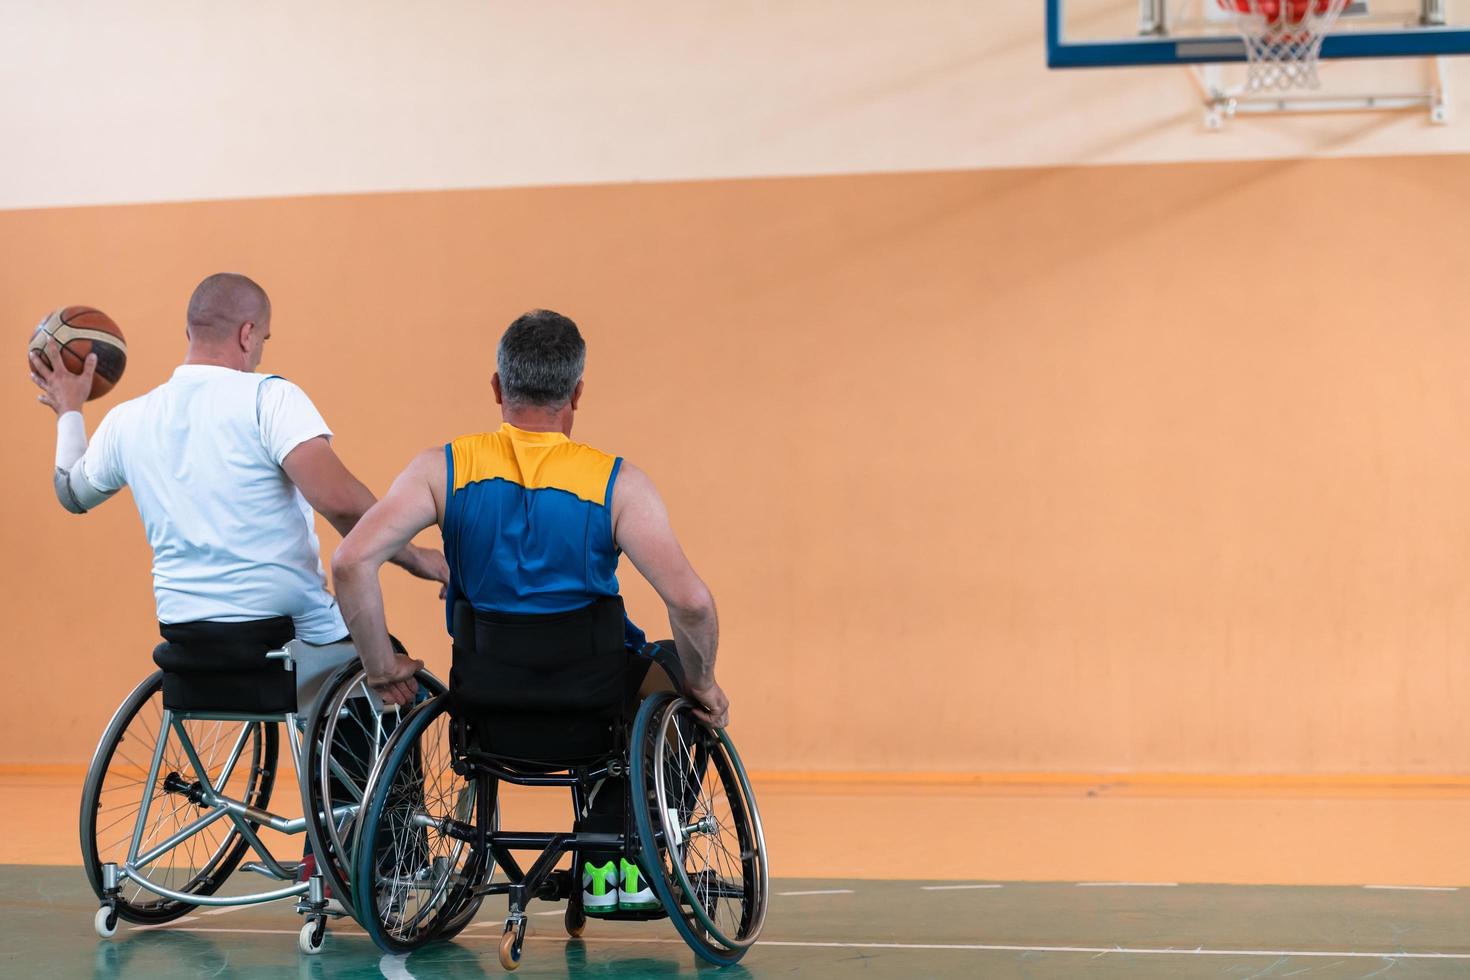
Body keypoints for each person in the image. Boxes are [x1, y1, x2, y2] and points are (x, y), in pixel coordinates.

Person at [30, 272, 445, 901]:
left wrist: (69, 411)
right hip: (285, 645)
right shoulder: (269, 399)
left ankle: (333, 851)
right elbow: (336, 500)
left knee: (353, 666)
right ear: (248, 334)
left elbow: (71, 493)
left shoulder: (128, 419)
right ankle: (380, 862)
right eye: (265, 337)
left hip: (188, 647)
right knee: (391, 682)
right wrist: (413, 555)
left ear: (189, 332)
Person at [331, 308, 728, 916]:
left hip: (485, 712)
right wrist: (702, 684)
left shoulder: (442, 469)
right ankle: (617, 848)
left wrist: (382, 669)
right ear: (577, 393)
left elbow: (352, 562)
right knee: (677, 671)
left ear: (497, 386)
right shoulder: (616, 484)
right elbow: (692, 603)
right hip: (594, 713)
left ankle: (605, 842)